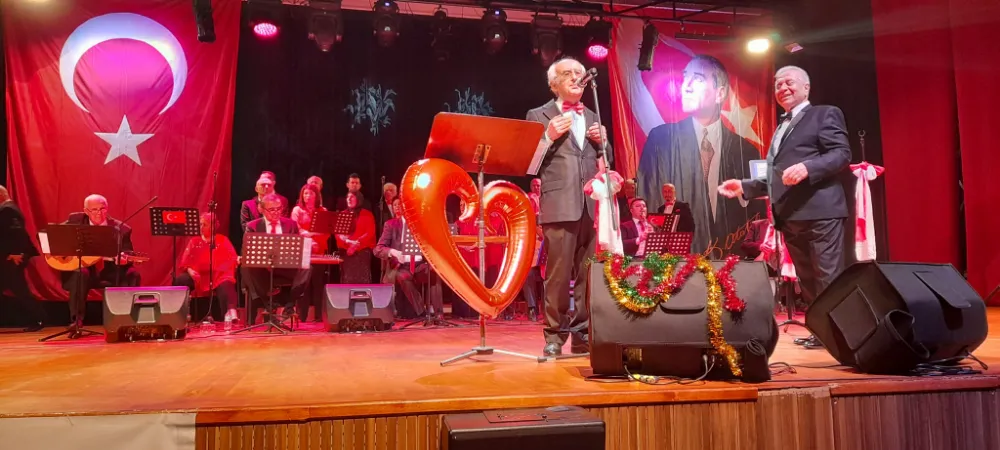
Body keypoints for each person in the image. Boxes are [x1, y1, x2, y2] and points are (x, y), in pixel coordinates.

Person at [719, 65, 851, 349]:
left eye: (789, 82)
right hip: (792, 216)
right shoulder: (782, 126)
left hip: (821, 211)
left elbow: (841, 154)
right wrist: (744, 186)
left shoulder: (824, 114)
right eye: (778, 84)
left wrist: (808, 167)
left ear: (806, 87)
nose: (782, 88)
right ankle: (822, 333)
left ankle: (841, 336)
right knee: (808, 280)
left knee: (827, 276)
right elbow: (777, 175)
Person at [526, 57, 622, 357]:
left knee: (587, 274)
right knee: (557, 275)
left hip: (591, 206)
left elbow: (606, 162)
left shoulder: (593, 115)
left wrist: (604, 144)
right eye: (567, 73)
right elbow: (527, 163)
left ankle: (582, 334)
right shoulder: (538, 115)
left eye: (580, 73)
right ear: (554, 83)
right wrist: (547, 137)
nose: (575, 78)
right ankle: (554, 335)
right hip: (559, 203)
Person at [637, 55, 765, 254]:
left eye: (697, 79)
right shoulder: (660, 140)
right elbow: (647, 198)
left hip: (730, 258)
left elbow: (758, 213)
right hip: (675, 258)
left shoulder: (746, 151)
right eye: (685, 77)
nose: (685, 86)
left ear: (720, 93)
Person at [62, 194, 141, 335]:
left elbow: (128, 253)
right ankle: (76, 322)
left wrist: (124, 259)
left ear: (107, 209)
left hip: (110, 270)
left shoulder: (121, 228)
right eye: (94, 210)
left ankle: (128, 320)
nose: (99, 213)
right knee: (80, 273)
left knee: (132, 274)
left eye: (102, 209)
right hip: (86, 269)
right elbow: (50, 234)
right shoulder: (75, 221)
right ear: (86, 211)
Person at [241, 194, 312, 319]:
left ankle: (289, 304)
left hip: (286, 267)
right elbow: (248, 250)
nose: (276, 212)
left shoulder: (291, 224)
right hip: (263, 269)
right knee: (247, 267)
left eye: (279, 209)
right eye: (272, 210)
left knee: (307, 266)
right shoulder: (252, 226)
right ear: (262, 210)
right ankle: (268, 304)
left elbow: (296, 250)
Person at [374, 197, 443, 319]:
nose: (401, 207)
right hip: (402, 266)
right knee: (403, 277)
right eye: (397, 205)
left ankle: (439, 314)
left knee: (434, 272)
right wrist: (394, 252)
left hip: (419, 265)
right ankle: (421, 312)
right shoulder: (391, 225)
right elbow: (378, 249)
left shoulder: (420, 224)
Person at [174, 212, 239, 323]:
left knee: (226, 284)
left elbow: (232, 258)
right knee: (181, 280)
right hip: (198, 276)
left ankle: (229, 313)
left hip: (218, 276)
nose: (201, 227)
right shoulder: (194, 241)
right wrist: (190, 270)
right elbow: (185, 262)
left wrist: (236, 260)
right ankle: (179, 313)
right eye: (200, 224)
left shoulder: (223, 240)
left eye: (204, 225)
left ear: (212, 226)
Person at [0, 185, 45, 331]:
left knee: (21, 290)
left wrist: (16, 253)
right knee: (20, 289)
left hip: (11, 260)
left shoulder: (7, 210)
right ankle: (38, 318)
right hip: (10, 258)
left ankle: (38, 318)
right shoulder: (9, 209)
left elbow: (17, 235)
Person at [335, 192, 376, 284]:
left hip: (362, 250)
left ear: (358, 199)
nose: (349, 199)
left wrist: (355, 244)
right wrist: (348, 242)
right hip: (346, 251)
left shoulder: (367, 214)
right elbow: (338, 234)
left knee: (362, 281)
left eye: (352, 197)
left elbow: (370, 232)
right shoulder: (342, 214)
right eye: (347, 197)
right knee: (347, 280)